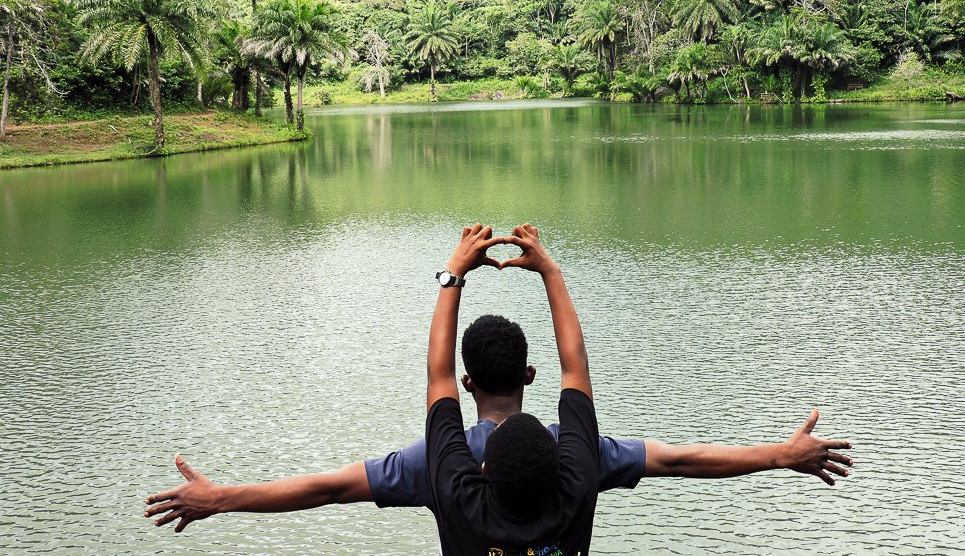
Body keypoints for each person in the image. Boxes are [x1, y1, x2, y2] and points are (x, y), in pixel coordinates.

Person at [144, 227, 853, 534]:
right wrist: (779, 456)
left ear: (468, 381)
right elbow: (683, 459)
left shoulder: (442, 470)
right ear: (530, 376)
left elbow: (327, 487)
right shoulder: (576, 463)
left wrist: (223, 499)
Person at [426, 222, 604, 554]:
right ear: (558, 466)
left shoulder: (461, 503)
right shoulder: (576, 489)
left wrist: (453, 273)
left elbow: (440, 378)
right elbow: (575, 367)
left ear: (483, 470)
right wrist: (550, 271)